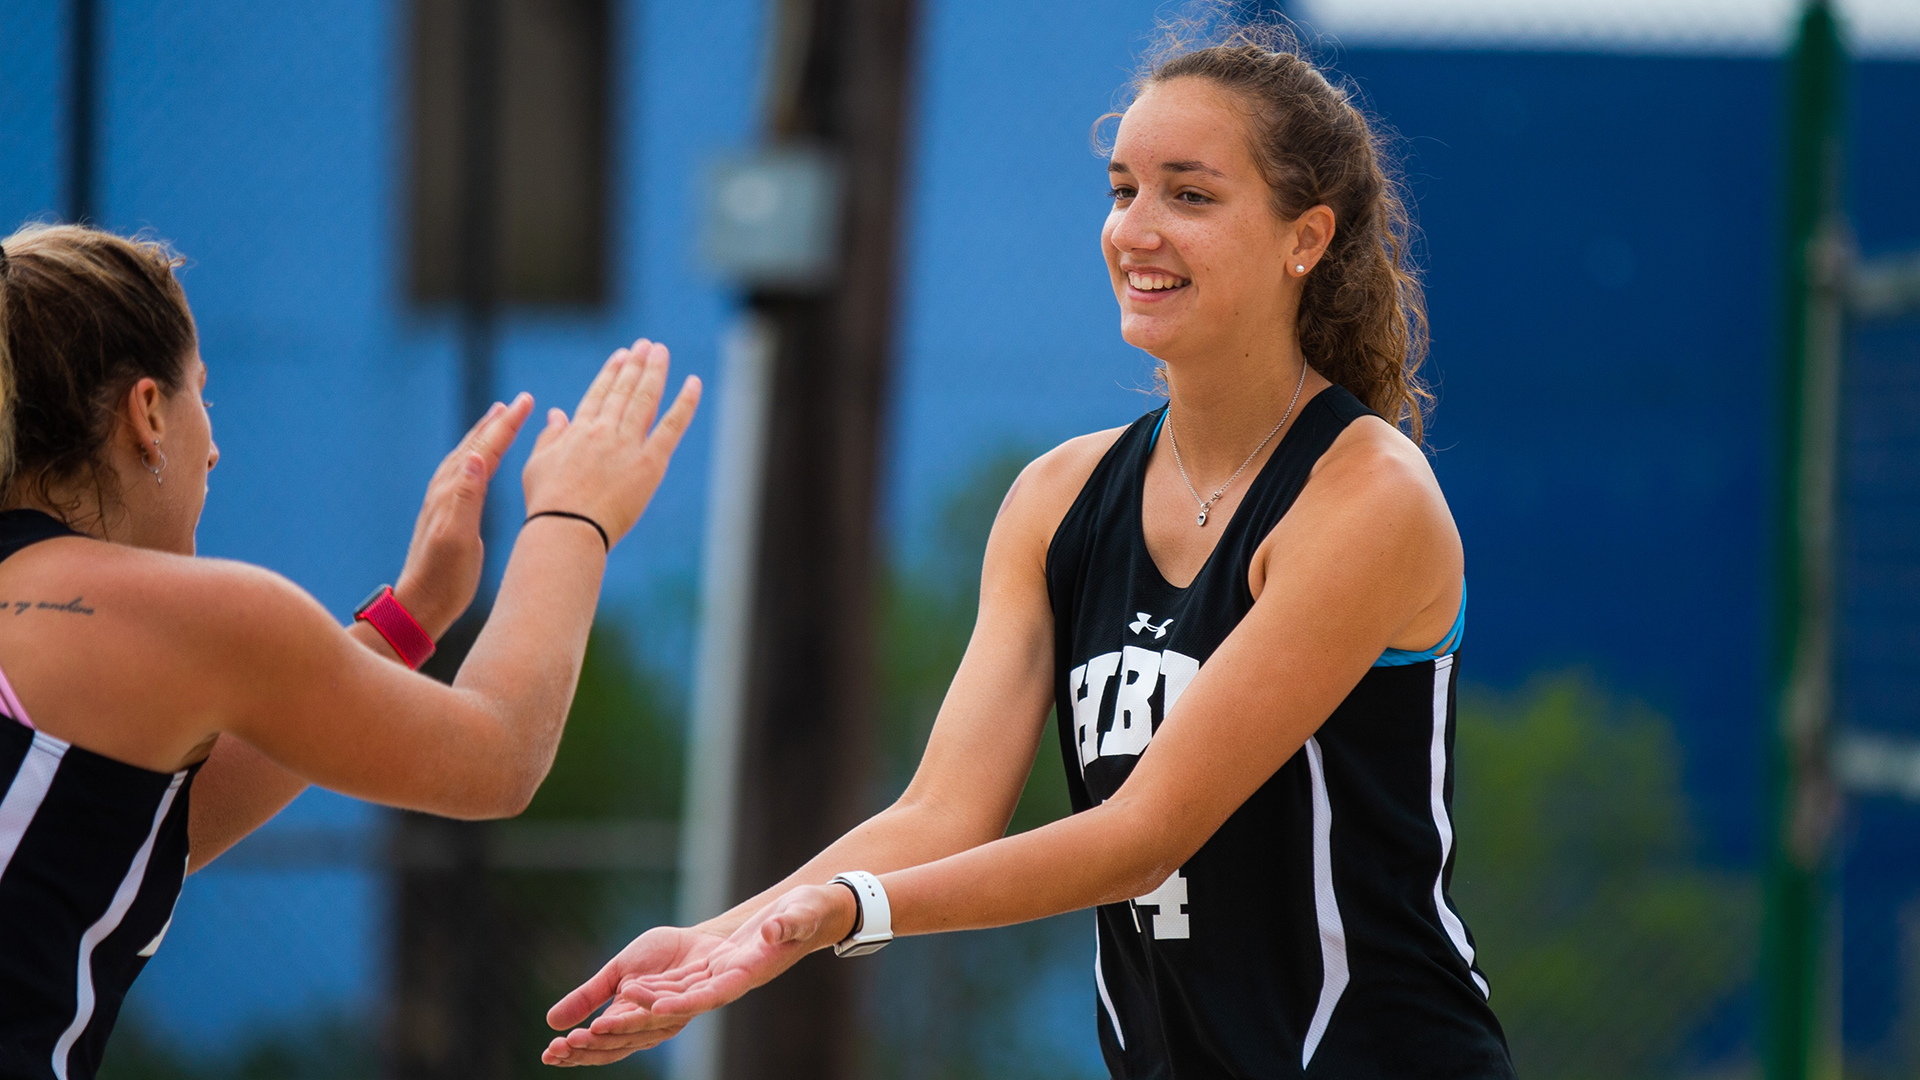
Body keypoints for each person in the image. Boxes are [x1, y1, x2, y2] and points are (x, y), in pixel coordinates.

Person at [544, 25, 1517, 1080]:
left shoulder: (1364, 496)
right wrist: (728, 936)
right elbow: (942, 811)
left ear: (1305, 238)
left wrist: (847, 911)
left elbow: (1145, 833)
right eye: (1122, 191)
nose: (1136, 231)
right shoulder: (1059, 500)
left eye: (1189, 196)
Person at [0, 222, 700, 1080]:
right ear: (147, 413)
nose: (213, 445)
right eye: (201, 397)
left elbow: (137, 832)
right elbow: (502, 752)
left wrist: (409, 618)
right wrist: (573, 516)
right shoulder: (177, 615)